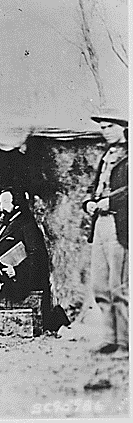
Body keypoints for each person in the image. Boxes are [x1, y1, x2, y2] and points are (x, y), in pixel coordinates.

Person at [83, 108, 128, 355]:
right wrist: (89, 202)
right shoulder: (106, 156)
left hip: (118, 223)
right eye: (102, 127)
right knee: (100, 285)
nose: (105, 131)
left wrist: (110, 202)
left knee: (118, 285)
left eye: (110, 126)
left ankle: (126, 341)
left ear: (123, 126)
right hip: (99, 223)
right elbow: (95, 186)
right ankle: (111, 338)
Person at [0, 187, 56, 330]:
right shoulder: (4, 224)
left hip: (20, 280)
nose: (2, 206)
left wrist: (17, 270)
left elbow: (37, 256)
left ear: (16, 203)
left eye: (6, 202)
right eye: (1, 202)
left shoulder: (26, 224)